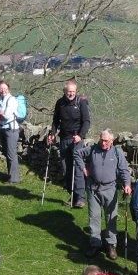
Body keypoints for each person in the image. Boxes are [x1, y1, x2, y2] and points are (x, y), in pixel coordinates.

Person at [83, 129, 132, 258]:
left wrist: (127, 184)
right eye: (101, 140)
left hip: (110, 189)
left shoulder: (117, 152)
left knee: (111, 217)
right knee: (94, 217)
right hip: (93, 188)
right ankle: (95, 244)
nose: (103, 143)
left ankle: (111, 245)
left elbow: (124, 170)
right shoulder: (93, 149)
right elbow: (77, 154)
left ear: (112, 140)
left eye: (106, 140)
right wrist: (84, 168)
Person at [47, 79, 91, 207]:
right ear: (64, 91)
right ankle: (72, 196)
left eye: (73, 91)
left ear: (76, 91)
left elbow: (87, 121)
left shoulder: (81, 102)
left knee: (77, 168)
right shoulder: (60, 103)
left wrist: (80, 136)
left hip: (77, 139)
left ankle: (81, 198)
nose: (71, 94)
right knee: (66, 168)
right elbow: (55, 121)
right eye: (68, 91)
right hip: (64, 139)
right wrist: (52, 134)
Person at [0, 80, 23, 184]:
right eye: (1, 88)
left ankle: (14, 179)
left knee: (11, 154)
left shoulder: (11, 100)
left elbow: (6, 116)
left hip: (11, 129)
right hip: (3, 128)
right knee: (8, 153)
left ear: (8, 89)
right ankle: (10, 176)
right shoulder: (0, 100)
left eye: (5, 88)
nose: (3, 90)